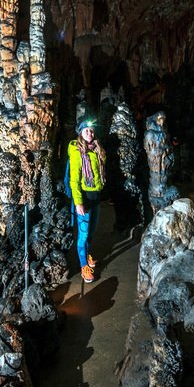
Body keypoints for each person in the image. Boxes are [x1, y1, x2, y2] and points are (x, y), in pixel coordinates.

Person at [67, 117, 105, 283]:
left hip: (96, 195)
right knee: (82, 235)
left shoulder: (96, 149)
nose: (90, 133)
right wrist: (78, 202)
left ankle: (87, 255)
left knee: (91, 231)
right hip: (84, 197)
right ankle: (84, 266)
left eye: (91, 130)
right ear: (80, 133)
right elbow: (73, 180)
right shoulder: (77, 152)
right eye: (86, 130)